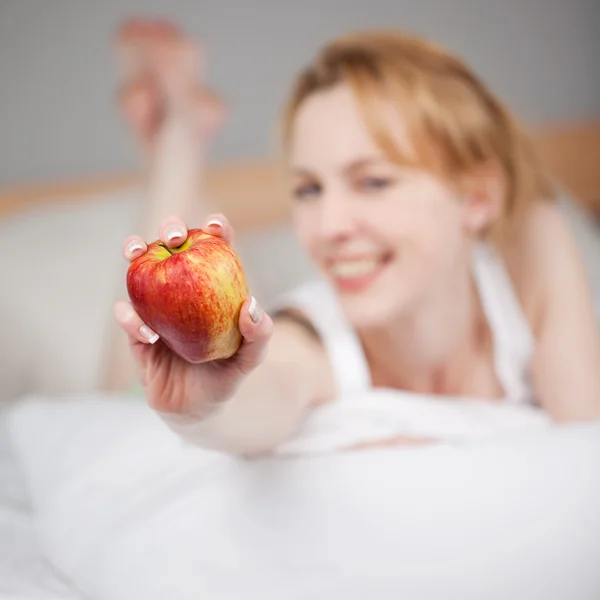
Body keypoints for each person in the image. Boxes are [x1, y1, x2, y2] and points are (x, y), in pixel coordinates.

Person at [110, 19, 600, 455]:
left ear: (477, 199)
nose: (328, 228)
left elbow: (583, 448)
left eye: (373, 181)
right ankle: (177, 139)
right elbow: (267, 390)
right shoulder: (313, 334)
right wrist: (203, 407)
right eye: (308, 189)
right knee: (118, 395)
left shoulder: (534, 243)